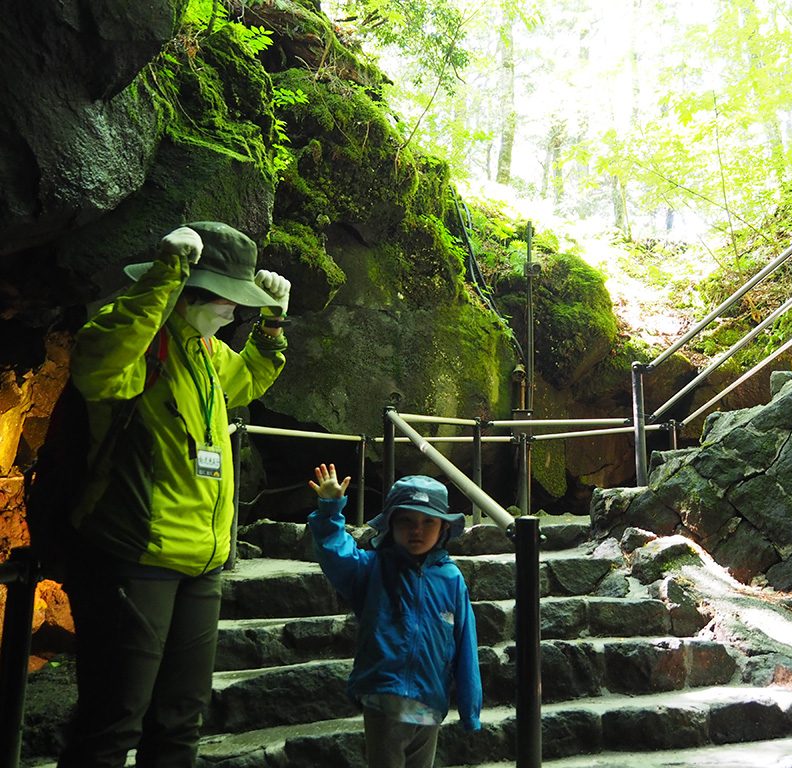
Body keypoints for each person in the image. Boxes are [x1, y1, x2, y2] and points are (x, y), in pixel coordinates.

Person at [57, 222, 291, 768]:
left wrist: (274, 325)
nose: (237, 311)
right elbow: (99, 366)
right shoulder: (139, 341)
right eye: (230, 299)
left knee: (181, 720)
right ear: (188, 291)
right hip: (135, 557)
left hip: (201, 563)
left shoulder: (206, 351)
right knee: (113, 721)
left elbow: (246, 382)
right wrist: (165, 278)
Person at [307, 465, 482, 768]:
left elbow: (465, 643)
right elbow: (336, 554)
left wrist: (470, 709)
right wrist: (330, 510)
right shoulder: (371, 568)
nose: (417, 529)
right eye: (407, 521)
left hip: (429, 700)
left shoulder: (451, 579)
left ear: (443, 528)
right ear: (390, 525)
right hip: (384, 698)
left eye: (429, 521)